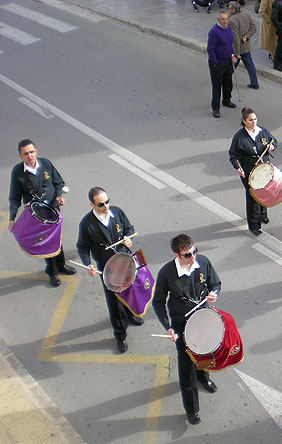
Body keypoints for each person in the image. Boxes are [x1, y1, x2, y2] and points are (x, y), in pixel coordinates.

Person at [152, 234, 221, 426]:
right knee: (186, 366)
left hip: (203, 320)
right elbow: (158, 303)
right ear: (177, 255)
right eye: (187, 254)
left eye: (194, 251)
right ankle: (192, 409)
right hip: (181, 325)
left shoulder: (203, 262)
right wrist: (168, 327)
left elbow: (215, 283)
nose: (193, 257)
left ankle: (203, 377)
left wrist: (214, 293)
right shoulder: (166, 273)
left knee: (205, 353)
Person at [76, 187, 143, 354]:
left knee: (129, 290)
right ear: (92, 204)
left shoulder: (117, 212)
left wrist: (128, 238)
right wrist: (88, 264)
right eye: (100, 204)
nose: (106, 206)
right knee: (114, 301)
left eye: (107, 202)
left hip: (126, 261)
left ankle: (129, 313)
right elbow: (82, 247)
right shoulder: (86, 224)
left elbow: (129, 228)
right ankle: (120, 335)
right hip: (108, 268)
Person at [8, 139, 76, 287]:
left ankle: (61, 265)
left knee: (57, 239)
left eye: (31, 152)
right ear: (21, 156)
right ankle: (51, 271)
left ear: (36, 151)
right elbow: (14, 197)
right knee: (44, 242)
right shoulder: (18, 172)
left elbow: (58, 183)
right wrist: (12, 218)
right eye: (26, 153)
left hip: (52, 209)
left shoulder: (46, 164)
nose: (30, 156)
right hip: (36, 215)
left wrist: (58, 196)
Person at [229, 107, 278, 235]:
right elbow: (233, 155)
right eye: (250, 120)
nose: (254, 122)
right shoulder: (239, 137)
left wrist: (271, 147)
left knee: (265, 191)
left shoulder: (262, 131)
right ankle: (254, 224)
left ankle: (263, 214)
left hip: (264, 168)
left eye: (255, 119)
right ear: (244, 121)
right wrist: (238, 167)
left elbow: (274, 141)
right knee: (253, 196)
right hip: (249, 169)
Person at [207, 11, 237, 118]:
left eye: (226, 19)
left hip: (228, 60)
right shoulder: (214, 32)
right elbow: (210, 49)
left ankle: (226, 100)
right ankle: (215, 108)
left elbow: (229, 43)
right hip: (217, 63)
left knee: (228, 82)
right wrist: (215, 62)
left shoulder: (228, 28)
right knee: (217, 86)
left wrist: (232, 54)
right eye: (222, 19)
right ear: (218, 20)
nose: (225, 21)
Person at [228, 1, 259, 89]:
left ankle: (226, 82)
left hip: (236, 49)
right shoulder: (246, 15)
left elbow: (235, 38)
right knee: (250, 65)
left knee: (231, 67)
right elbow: (253, 28)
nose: (228, 10)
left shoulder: (232, 20)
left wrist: (236, 53)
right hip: (245, 47)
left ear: (233, 10)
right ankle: (254, 82)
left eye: (229, 8)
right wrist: (247, 36)